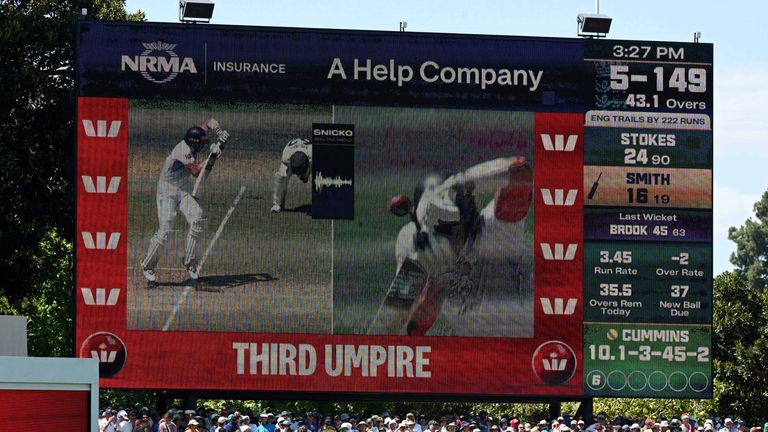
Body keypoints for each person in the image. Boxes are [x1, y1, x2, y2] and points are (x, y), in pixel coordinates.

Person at [389, 156, 533, 336]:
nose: (444, 241)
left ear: (467, 223)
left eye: (450, 231)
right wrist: (433, 285)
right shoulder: (414, 244)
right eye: (435, 232)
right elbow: (410, 324)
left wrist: (465, 181)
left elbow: (520, 170)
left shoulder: (497, 231)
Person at [141, 118, 229, 283]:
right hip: (166, 192)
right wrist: (214, 155)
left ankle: (190, 261)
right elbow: (197, 173)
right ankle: (148, 265)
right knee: (165, 230)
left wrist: (219, 132)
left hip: (182, 190)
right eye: (201, 143)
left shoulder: (193, 137)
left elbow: (209, 122)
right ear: (194, 143)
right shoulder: (183, 152)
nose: (203, 145)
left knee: (198, 218)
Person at [271, 138, 312, 213]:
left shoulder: (312, 155)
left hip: (308, 160)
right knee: (281, 176)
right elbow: (285, 168)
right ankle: (277, 204)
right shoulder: (286, 156)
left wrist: (305, 176)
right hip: (291, 160)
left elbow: (307, 173)